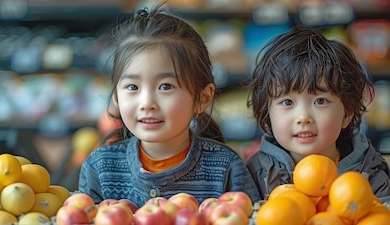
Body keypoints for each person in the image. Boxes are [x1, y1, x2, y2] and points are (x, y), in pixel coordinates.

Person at [77, 4, 261, 207]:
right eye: (132, 87)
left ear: (202, 98)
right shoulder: (99, 168)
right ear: (116, 98)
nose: (147, 103)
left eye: (165, 86)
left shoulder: (226, 168)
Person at [245, 25, 390, 202]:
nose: (303, 117)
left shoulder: (370, 174)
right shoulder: (255, 174)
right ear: (267, 113)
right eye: (287, 102)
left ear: (348, 113)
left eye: (320, 101)